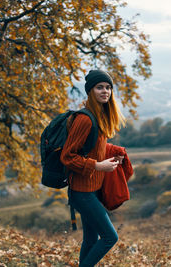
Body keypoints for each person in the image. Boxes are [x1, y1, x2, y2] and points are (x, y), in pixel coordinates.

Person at [60, 69, 126, 267]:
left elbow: (94, 147)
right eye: (99, 87)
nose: (105, 91)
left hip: (93, 190)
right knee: (109, 237)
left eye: (108, 88)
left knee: (90, 239)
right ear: (90, 91)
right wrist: (98, 165)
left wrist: (114, 152)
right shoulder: (85, 119)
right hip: (82, 193)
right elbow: (67, 156)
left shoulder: (100, 117)